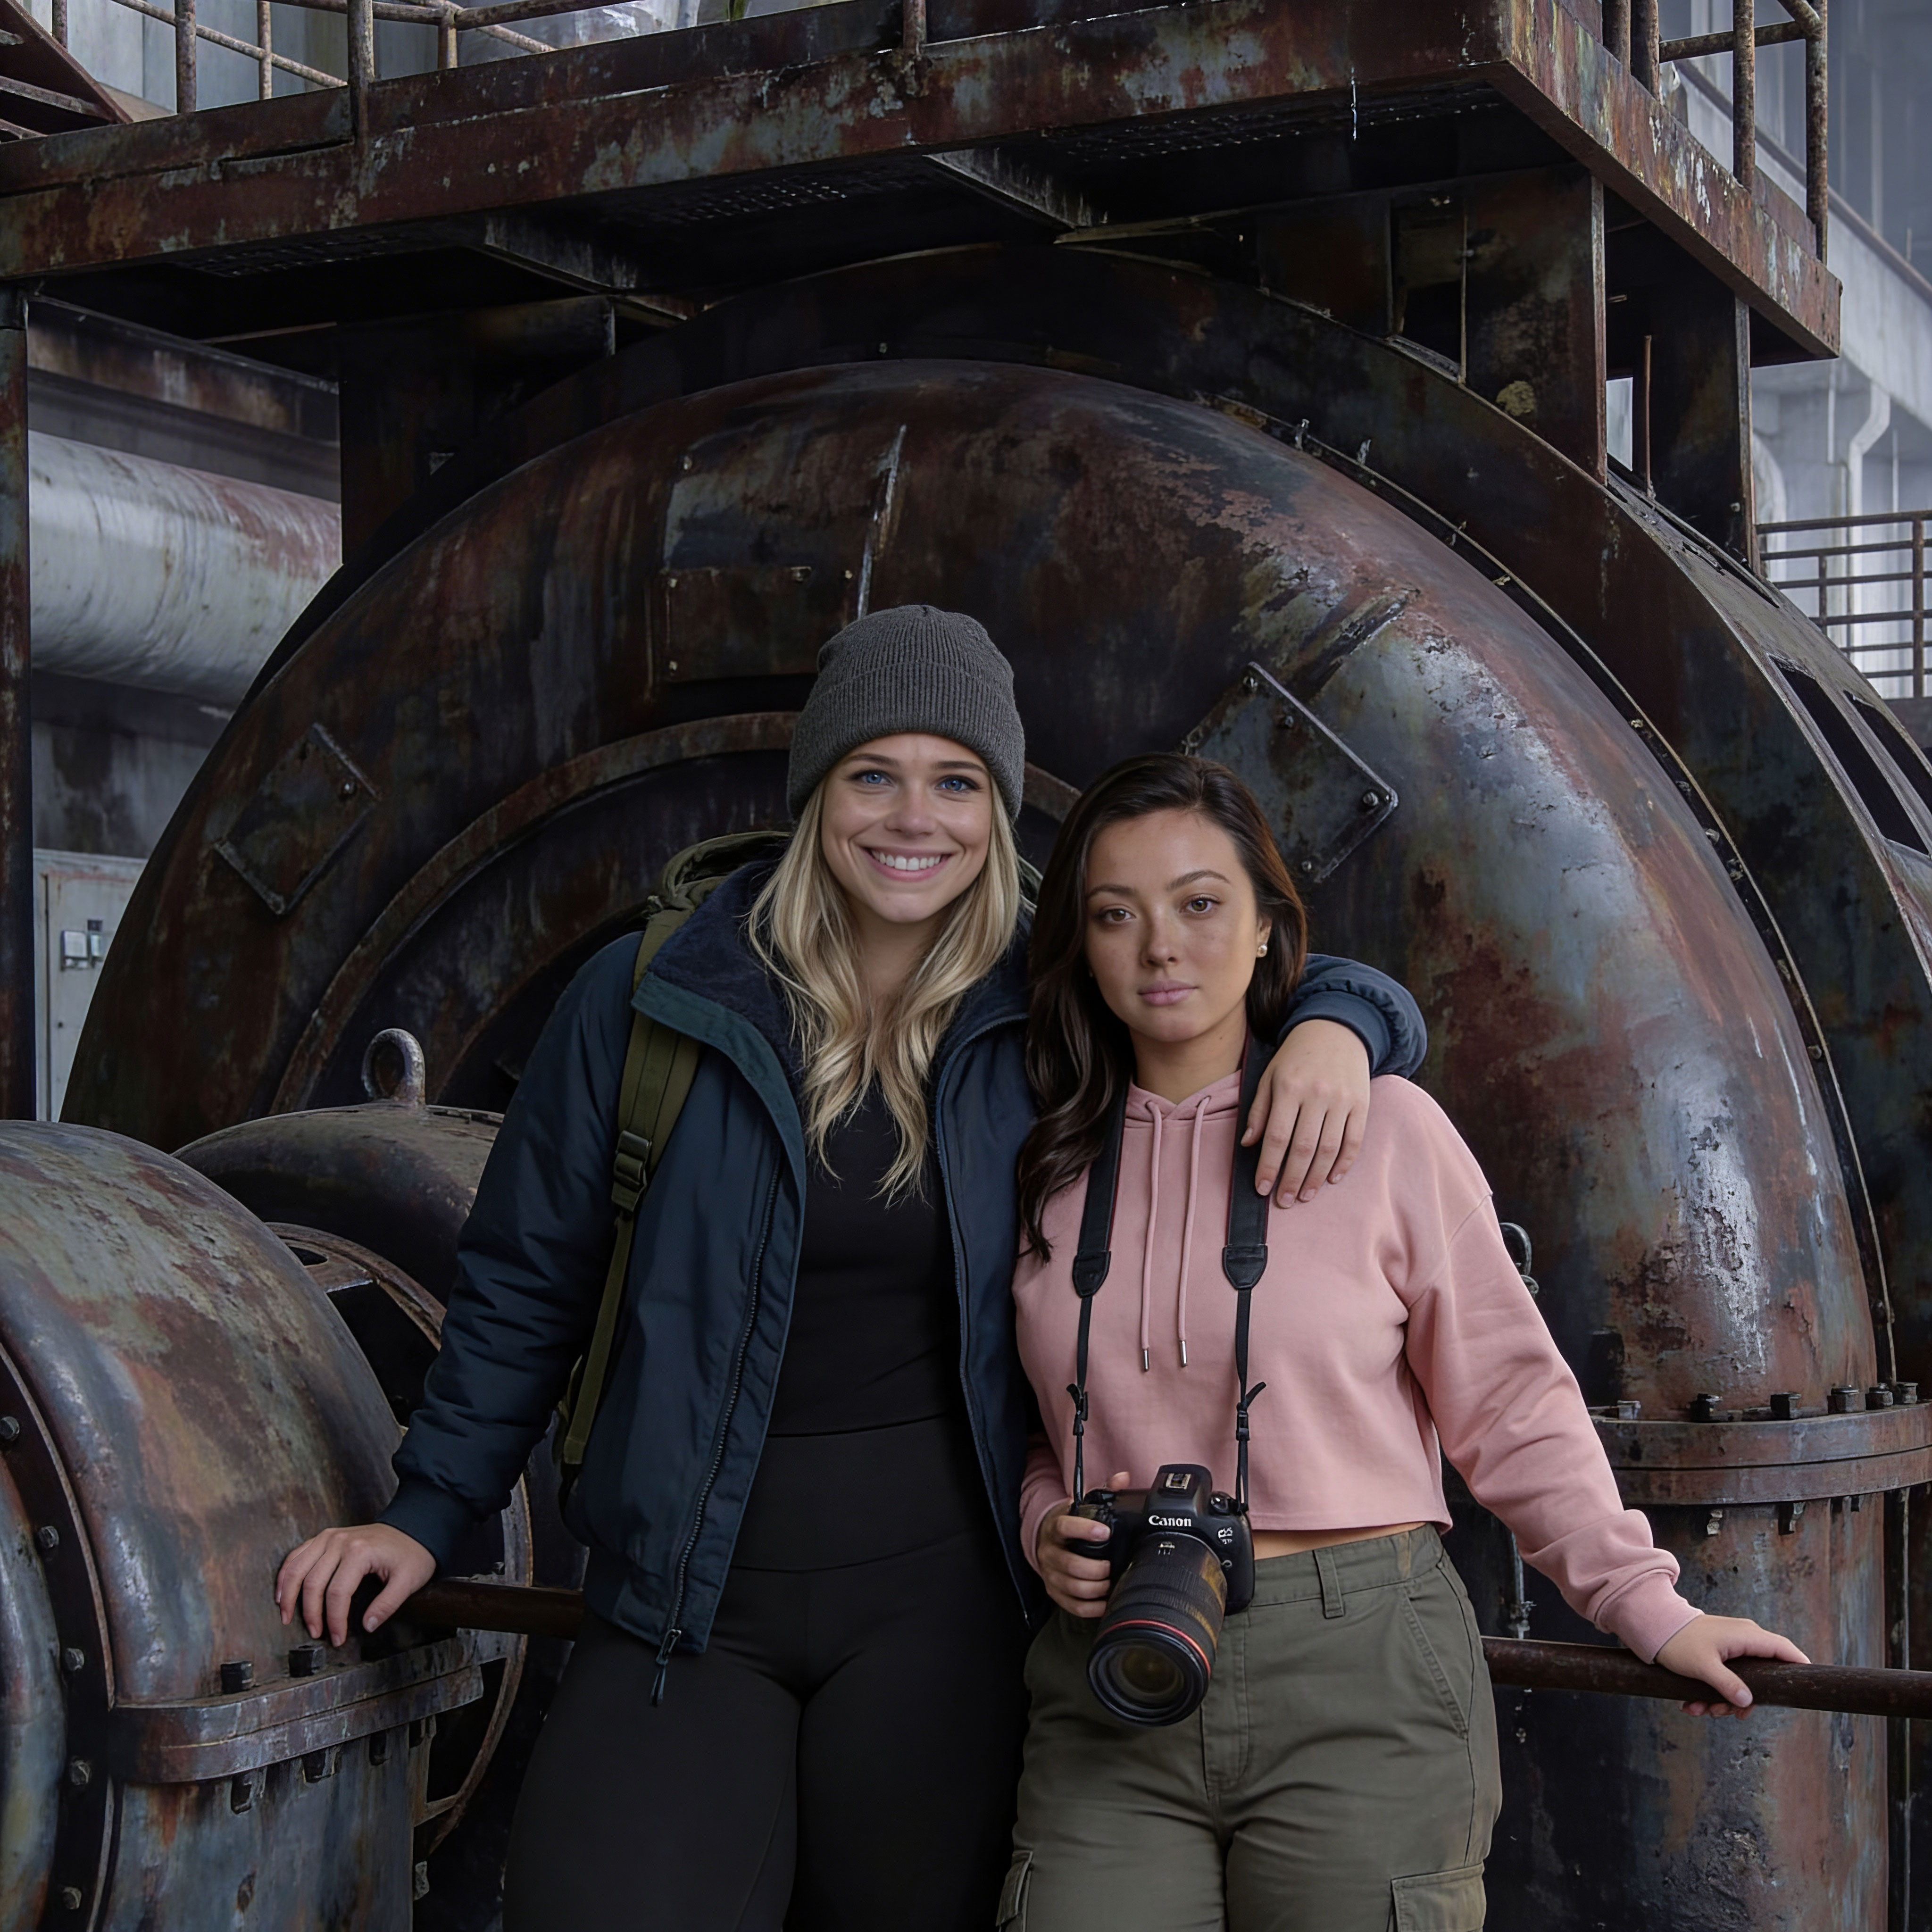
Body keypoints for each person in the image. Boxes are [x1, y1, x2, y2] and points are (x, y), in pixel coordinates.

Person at [273, 609, 1430, 1932]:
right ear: (817, 786)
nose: (913, 818)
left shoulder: (1050, 1002)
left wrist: (1346, 1018)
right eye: (874, 773)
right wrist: (427, 1511)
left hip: (944, 1615)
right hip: (681, 1600)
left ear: (995, 807)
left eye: (956, 781)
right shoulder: (654, 992)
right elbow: (524, 1281)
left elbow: (1214, 975)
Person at [1004, 752, 1809, 1932]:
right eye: (1114, 914)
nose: (1160, 946)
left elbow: (1510, 1400)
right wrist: (1046, 1521)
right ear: (1080, 943)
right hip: (1115, 1656)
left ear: (1269, 927)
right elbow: (1037, 1421)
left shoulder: (1383, 1127)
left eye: (1199, 902)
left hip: (1359, 1661)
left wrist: (1649, 1606)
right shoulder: (1044, 1154)